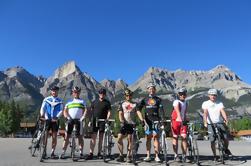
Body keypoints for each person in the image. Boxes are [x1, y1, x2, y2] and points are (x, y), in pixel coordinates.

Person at [202, 88, 232, 162]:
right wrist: (205, 122)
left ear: (216, 96)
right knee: (212, 140)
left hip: (220, 122)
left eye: (214, 95)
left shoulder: (219, 103)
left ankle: (226, 149)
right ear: (209, 95)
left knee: (225, 137)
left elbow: (222, 111)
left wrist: (226, 119)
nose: (213, 96)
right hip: (210, 124)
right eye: (212, 95)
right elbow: (205, 113)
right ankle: (215, 156)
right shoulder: (205, 103)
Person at [137, 83, 164, 162]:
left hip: (156, 119)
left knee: (156, 137)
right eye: (150, 88)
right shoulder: (144, 99)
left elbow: (161, 110)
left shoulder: (158, 99)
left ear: (155, 90)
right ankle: (148, 155)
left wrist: (162, 119)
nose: (151, 90)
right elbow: (138, 109)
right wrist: (141, 119)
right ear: (148, 90)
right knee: (148, 138)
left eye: (153, 88)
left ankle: (156, 156)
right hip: (147, 120)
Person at [116, 89, 145, 163]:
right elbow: (120, 113)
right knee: (119, 139)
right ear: (125, 96)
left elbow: (138, 112)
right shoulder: (121, 104)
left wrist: (142, 120)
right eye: (127, 95)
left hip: (131, 124)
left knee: (130, 139)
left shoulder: (135, 104)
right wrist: (122, 121)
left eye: (130, 95)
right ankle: (121, 155)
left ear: (132, 95)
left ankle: (128, 156)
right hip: (124, 123)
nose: (128, 96)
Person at [60, 86, 87, 159]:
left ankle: (81, 152)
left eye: (77, 92)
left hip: (79, 120)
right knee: (67, 136)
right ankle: (63, 152)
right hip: (70, 120)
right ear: (72, 93)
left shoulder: (82, 101)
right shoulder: (69, 102)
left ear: (79, 93)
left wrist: (83, 117)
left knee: (80, 137)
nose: (76, 93)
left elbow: (86, 110)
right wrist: (67, 117)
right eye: (75, 92)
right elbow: (65, 111)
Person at [86, 88, 112, 160]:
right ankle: (91, 153)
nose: (102, 95)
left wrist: (107, 118)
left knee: (101, 138)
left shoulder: (107, 102)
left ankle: (99, 153)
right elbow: (91, 112)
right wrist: (90, 121)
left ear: (105, 94)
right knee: (93, 137)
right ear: (99, 94)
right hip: (95, 121)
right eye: (100, 93)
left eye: (103, 93)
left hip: (103, 121)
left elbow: (109, 112)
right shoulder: (94, 102)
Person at [40, 86, 63, 159]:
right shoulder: (46, 99)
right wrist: (42, 115)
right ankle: (44, 151)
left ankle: (52, 152)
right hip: (47, 119)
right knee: (45, 136)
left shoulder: (60, 100)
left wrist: (57, 117)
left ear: (57, 91)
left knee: (54, 137)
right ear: (51, 91)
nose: (54, 92)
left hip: (55, 120)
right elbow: (42, 108)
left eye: (55, 91)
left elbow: (61, 110)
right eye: (53, 91)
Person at [171, 87, 189, 162]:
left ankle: (184, 155)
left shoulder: (186, 102)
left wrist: (186, 118)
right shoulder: (176, 101)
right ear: (178, 95)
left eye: (184, 94)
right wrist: (179, 117)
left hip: (183, 122)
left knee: (184, 138)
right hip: (175, 121)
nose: (182, 95)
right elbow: (177, 110)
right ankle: (176, 155)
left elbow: (184, 112)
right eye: (181, 94)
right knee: (175, 137)